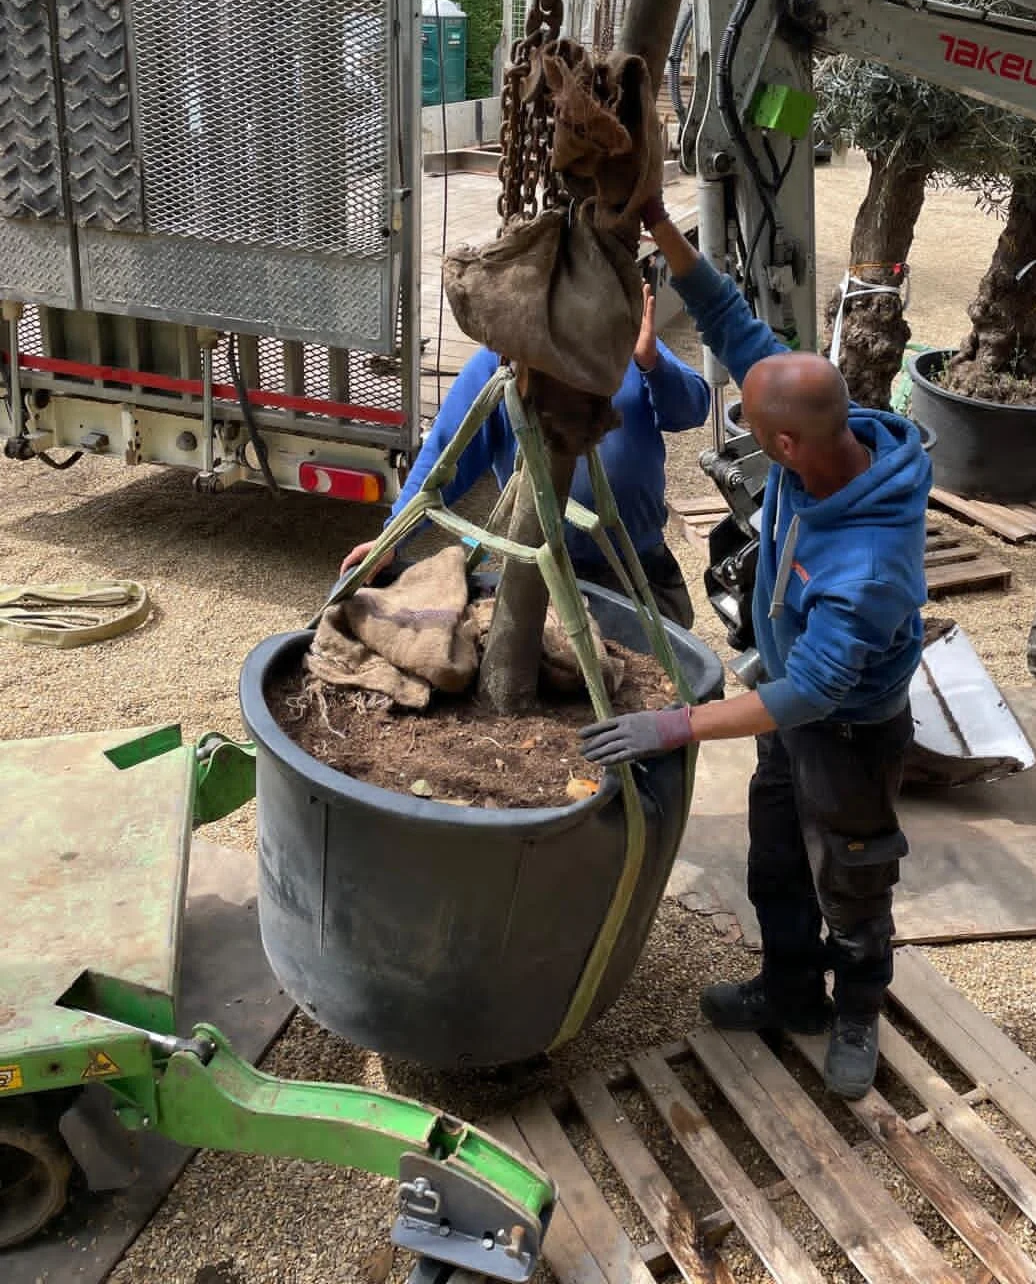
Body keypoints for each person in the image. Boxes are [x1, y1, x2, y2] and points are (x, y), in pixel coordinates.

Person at [578, 200, 932, 1100]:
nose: (737, 407)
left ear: (781, 444)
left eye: (746, 419)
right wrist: (659, 224)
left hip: (849, 731)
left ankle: (856, 1011)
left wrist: (676, 726)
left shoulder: (869, 563)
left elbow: (815, 693)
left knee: (851, 876)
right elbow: (733, 320)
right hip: (787, 694)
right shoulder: (812, 424)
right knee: (775, 856)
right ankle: (789, 990)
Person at [341, 283, 710, 628]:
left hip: (637, 565)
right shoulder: (500, 363)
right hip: (546, 570)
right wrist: (392, 537)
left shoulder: (623, 344)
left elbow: (692, 409)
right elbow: (444, 455)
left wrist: (652, 363)